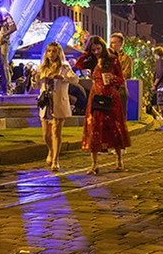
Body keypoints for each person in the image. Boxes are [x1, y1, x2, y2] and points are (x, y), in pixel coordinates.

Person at [76, 36, 131, 175]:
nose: (96, 52)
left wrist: (113, 78)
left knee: (115, 128)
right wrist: (87, 52)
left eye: (98, 49)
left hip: (111, 97)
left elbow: (121, 79)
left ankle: (119, 160)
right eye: (93, 49)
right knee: (94, 129)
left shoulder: (112, 59)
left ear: (103, 47)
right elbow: (78, 64)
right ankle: (94, 164)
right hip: (95, 97)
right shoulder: (92, 60)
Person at [38, 41, 75, 171]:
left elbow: (75, 79)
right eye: (49, 51)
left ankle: (55, 159)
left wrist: (62, 78)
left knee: (56, 133)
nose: (51, 54)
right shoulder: (43, 68)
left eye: (54, 51)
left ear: (58, 53)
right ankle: (50, 151)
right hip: (46, 103)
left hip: (58, 102)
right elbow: (36, 86)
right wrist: (34, 79)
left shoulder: (64, 67)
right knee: (46, 135)